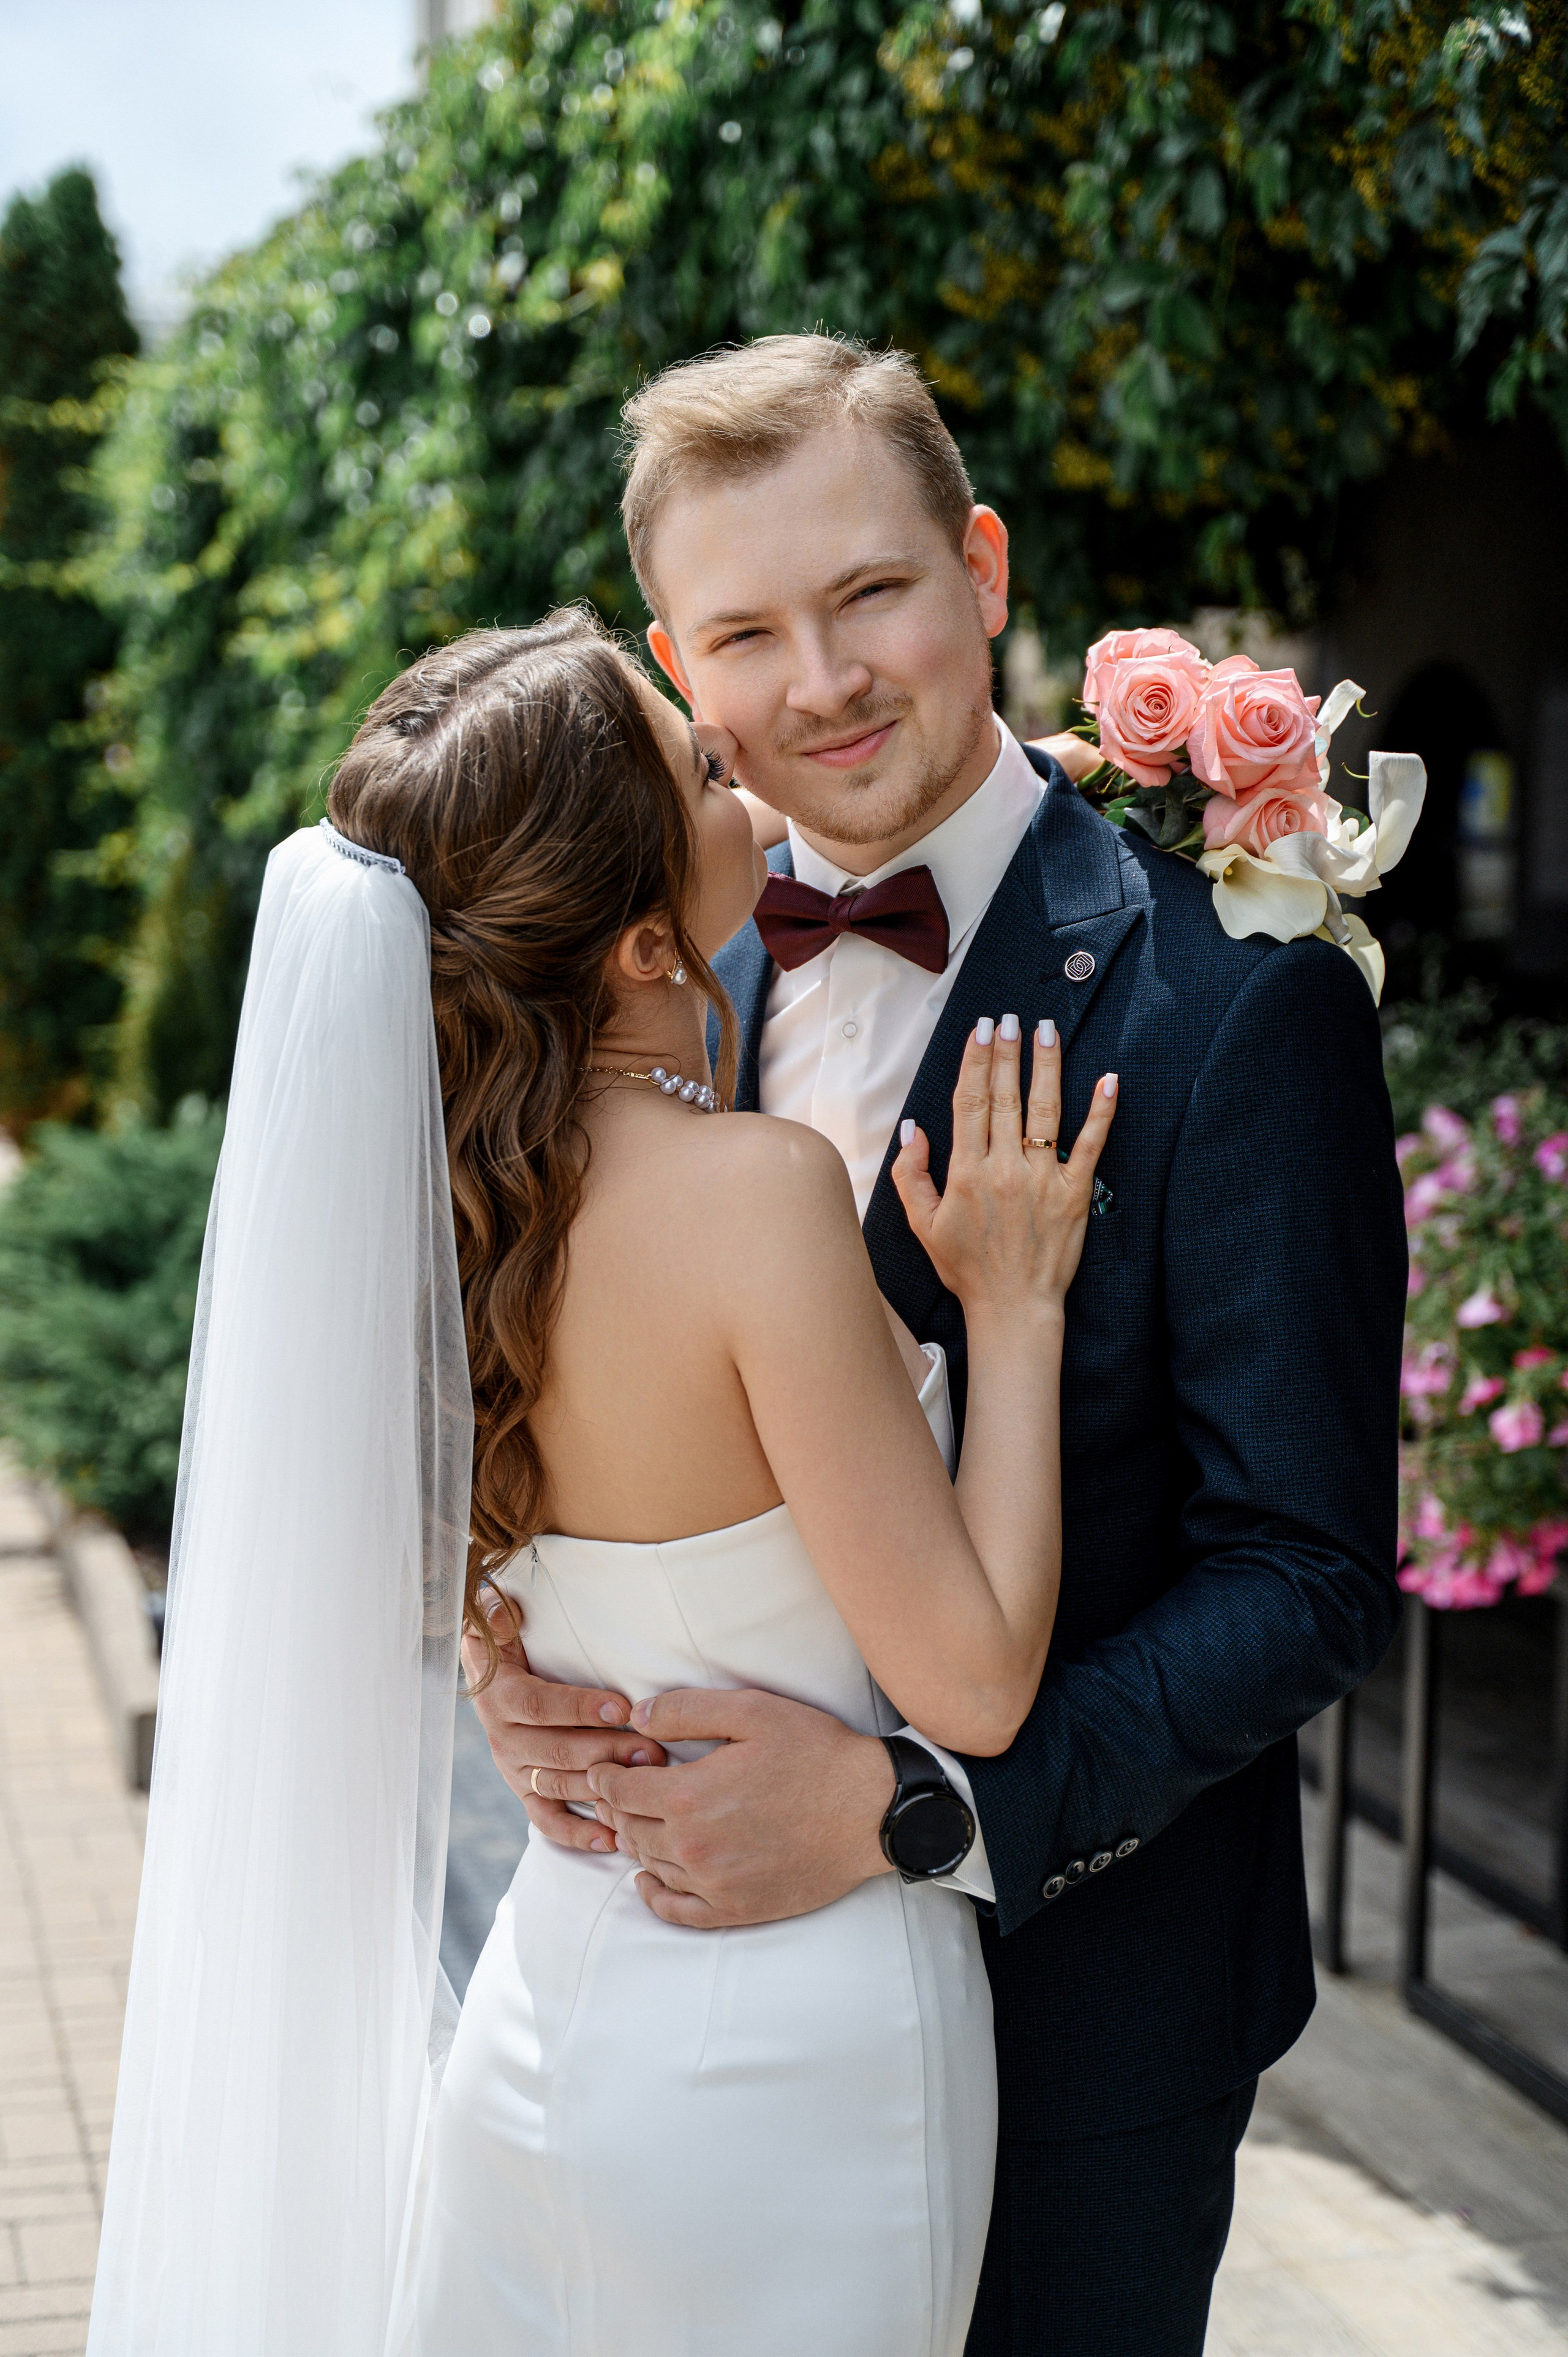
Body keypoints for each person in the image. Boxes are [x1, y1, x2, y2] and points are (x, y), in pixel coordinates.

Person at [470, 335, 1409, 2357]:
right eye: (746, 631)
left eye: (872, 591)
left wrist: (921, 1811)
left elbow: (1311, 1577)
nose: (821, 680)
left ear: (983, 570)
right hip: (692, 2022)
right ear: (673, 666)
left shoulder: (1237, 999)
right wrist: (520, 1675)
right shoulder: (638, 967)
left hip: (1086, 2020)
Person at [86, 602, 1118, 2356]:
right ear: (648, 940)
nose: (748, 780)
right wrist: (1016, 1313)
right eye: (708, 768)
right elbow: (975, 1680)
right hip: (802, 2045)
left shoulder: (442, 1223)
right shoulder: (755, 1196)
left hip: (554, 2006)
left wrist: (503, 1670)